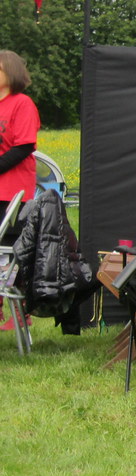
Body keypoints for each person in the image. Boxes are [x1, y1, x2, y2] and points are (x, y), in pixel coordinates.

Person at [0, 50, 40, 332]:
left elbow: (24, 146)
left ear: (10, 72)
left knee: (15, 252)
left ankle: (22, 311)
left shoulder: (21, 103)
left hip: (12, 192)